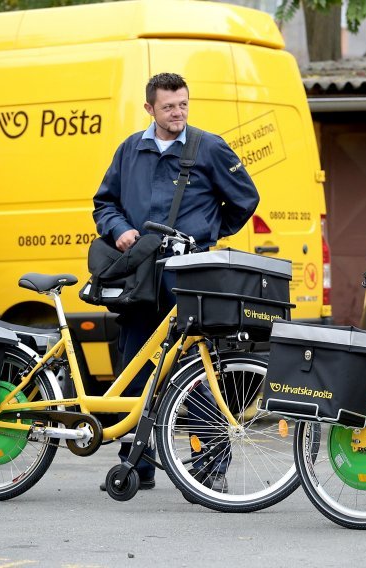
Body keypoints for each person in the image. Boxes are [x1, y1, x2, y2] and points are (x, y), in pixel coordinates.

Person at [93, 72, 259, 491]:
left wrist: (206, 236)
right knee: (133, 367)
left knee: (192, 370)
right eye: (169, 106)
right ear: (149, 108)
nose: (178, 113)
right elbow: (104, 203)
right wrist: (118, 230)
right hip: (138, 275)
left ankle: (210, 466)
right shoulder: (130, 149)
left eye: (183, 104)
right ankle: (137, 465)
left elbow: (245, 200)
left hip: (188, 276)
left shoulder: (210, 147)